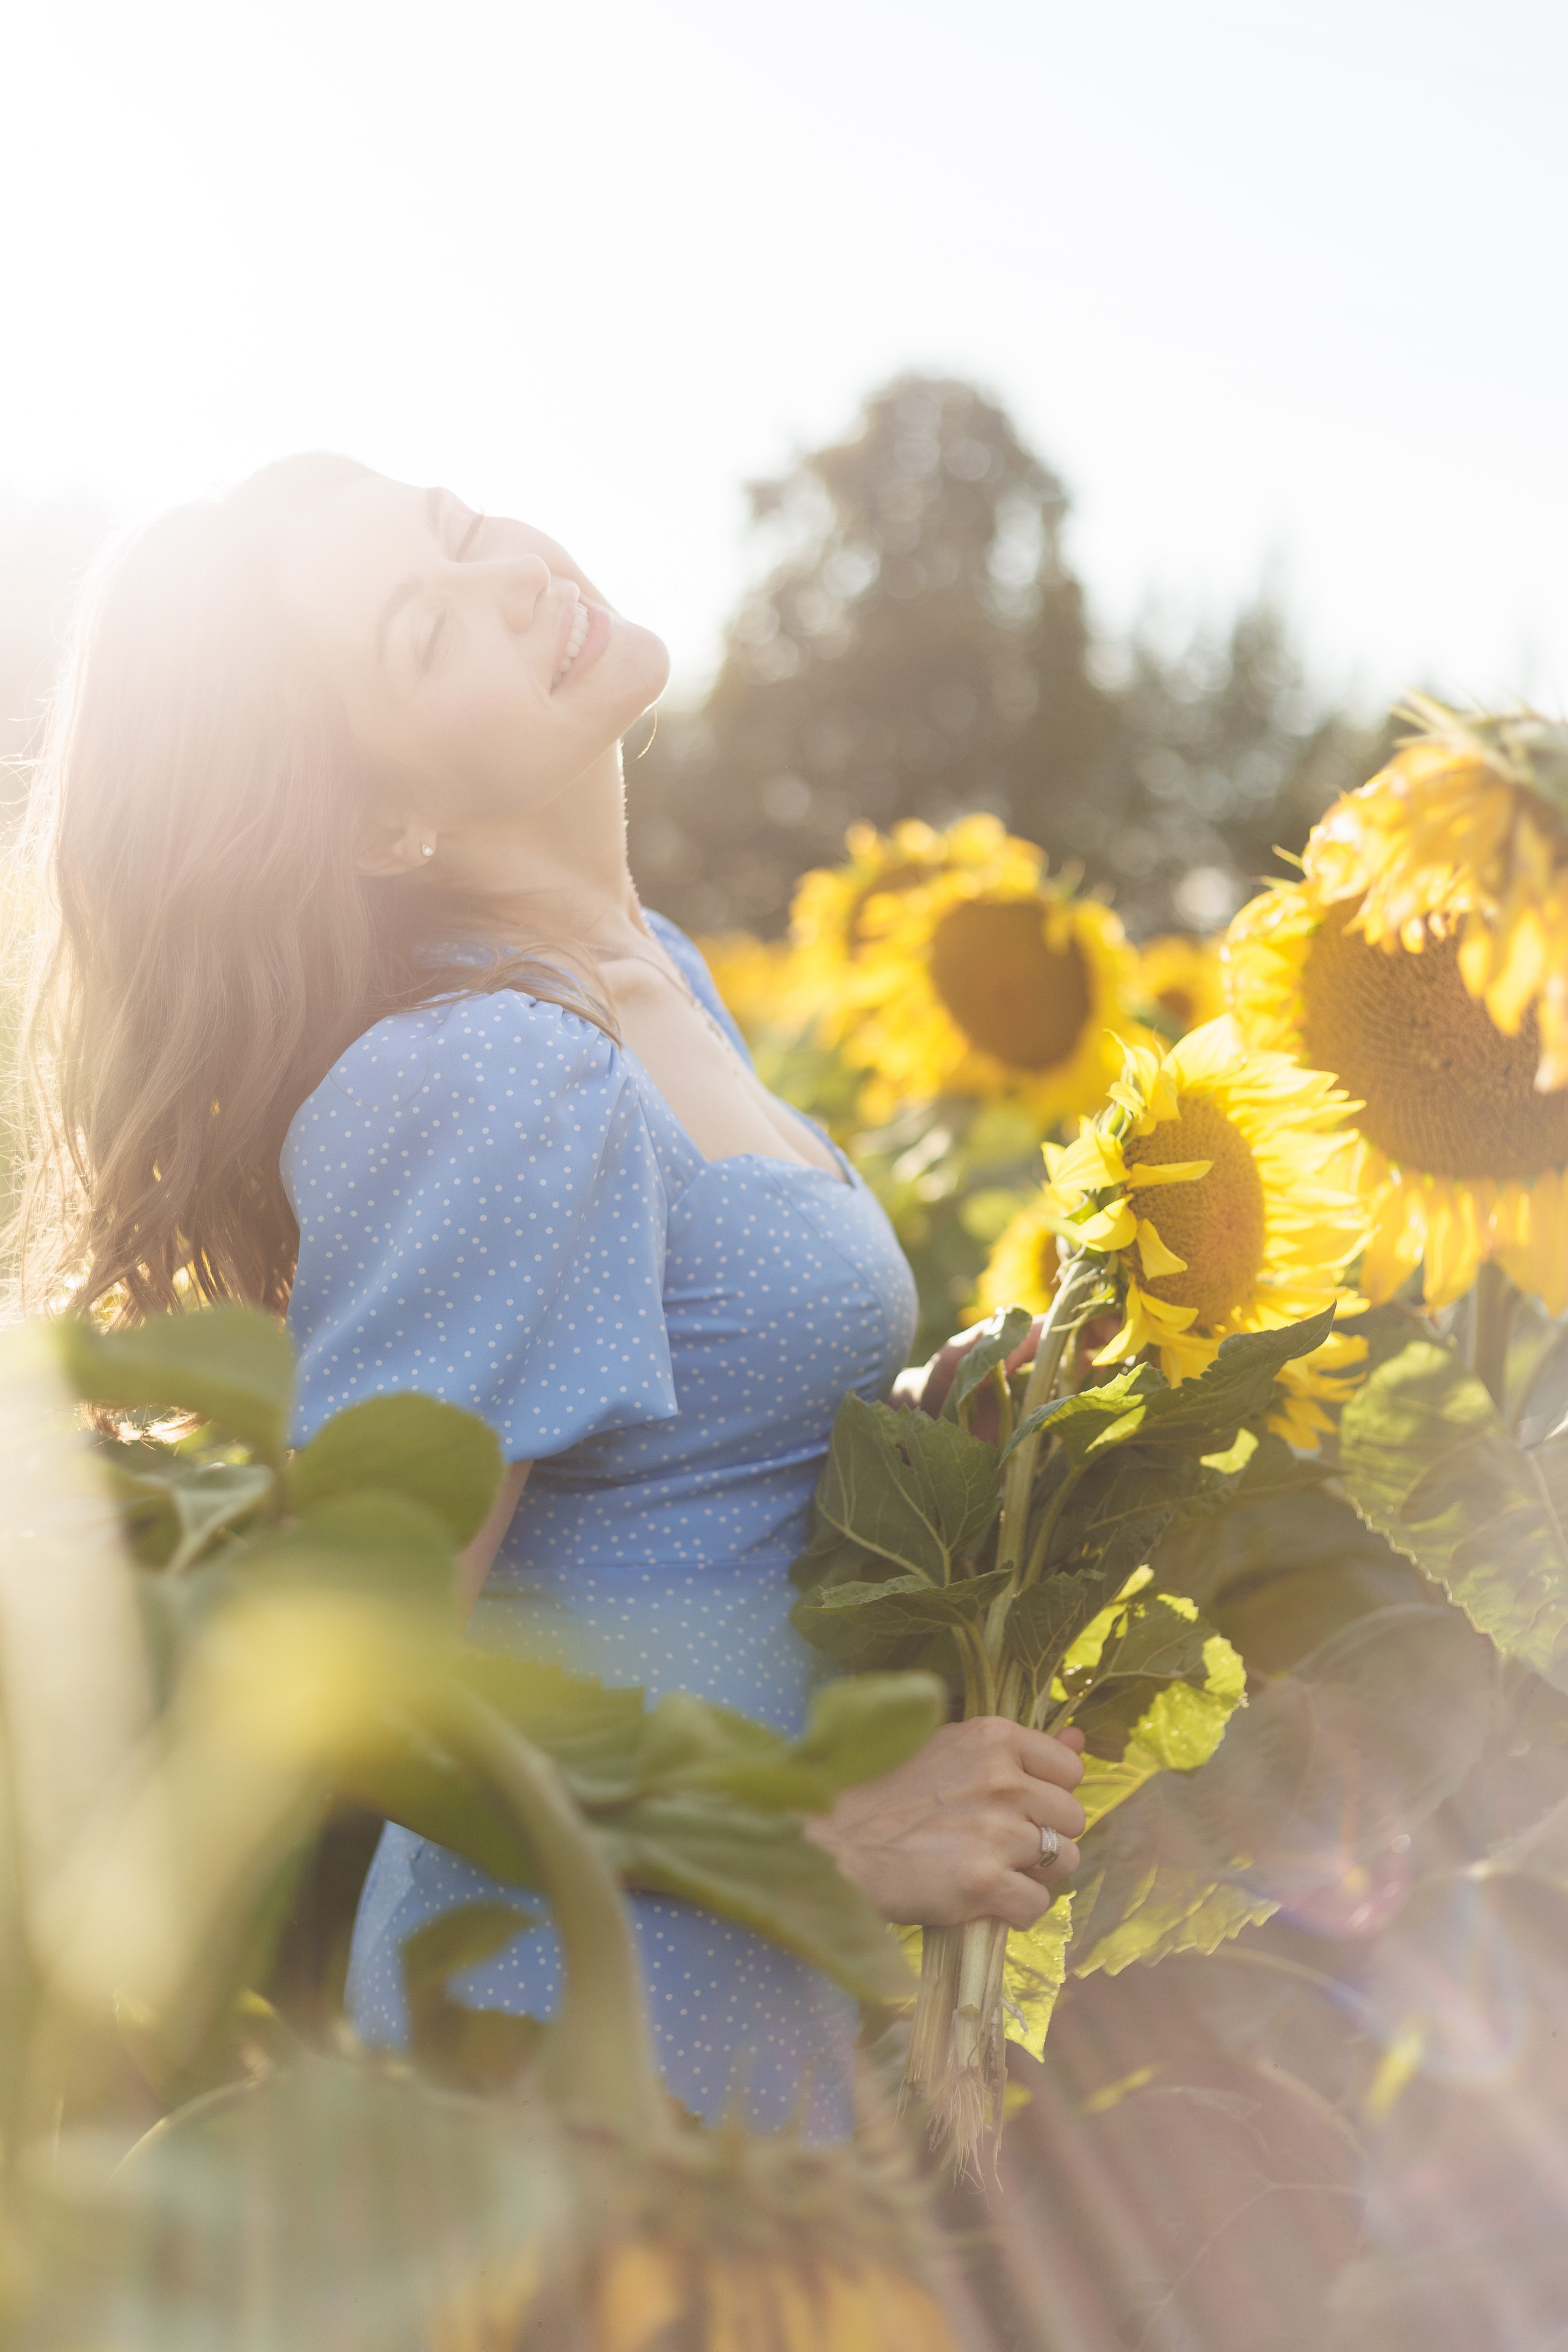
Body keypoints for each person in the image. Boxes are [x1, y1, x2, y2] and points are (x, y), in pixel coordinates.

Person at [17, 455, 1087, 2136]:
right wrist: (824, 1834)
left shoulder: (654, 979)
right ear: (382, 823)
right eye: (426, 632)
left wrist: (932, 1418)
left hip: (741, 2028)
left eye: (458, 530)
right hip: (579, 2058)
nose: (510, 579)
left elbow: (669, 1479)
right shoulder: (498, 1069)